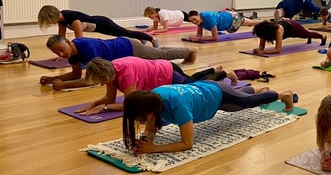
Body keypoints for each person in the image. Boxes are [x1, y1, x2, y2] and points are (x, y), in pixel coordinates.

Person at [122, 80, 297, 154]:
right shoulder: (153, 98)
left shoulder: (179, 107)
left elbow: (187, 144)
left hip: (216, 94)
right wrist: (145, 139)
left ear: (150, 109)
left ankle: (284, 95)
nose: (141, 122)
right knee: (237, 101)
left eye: (141, 118)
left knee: (246, 104)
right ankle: (256, 90)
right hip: (206, 89)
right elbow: (152, 126)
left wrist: (154, 149)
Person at [78, 56, 231, 115]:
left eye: (101, 81)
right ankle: (213, 70)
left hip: (167, 73)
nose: (101, 84)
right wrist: (94, 104)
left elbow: (131, 105)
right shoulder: (111, 71)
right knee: (190, 79)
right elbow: (110, 98)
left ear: (107, 75)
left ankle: (225, 75)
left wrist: (104, 108)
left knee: (196, 87)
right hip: (161, 69)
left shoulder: (126, 74)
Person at [39, 35, 197, 90]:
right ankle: (182, 51)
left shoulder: (86, 47)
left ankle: (189, 51)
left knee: (160, 56)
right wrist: (52, 80)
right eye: (56, 53)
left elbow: (93, 80)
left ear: (68, 41)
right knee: (157, 53)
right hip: (124, 56)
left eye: (61, 49)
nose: (60, 54)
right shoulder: (72, 54)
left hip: (128, 47)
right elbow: (75, 74)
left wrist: (64, 86)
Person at [38, 5, 155, 44]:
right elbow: (62, 38)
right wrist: (60, 52)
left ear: (54, 16)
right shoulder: (62, 19)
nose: (49, 24)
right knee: (125, 34)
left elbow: (80, 41)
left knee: (124, 33)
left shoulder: (73, 19)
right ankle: (141, 39)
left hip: (103, 23)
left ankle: (152, 39)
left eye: (48, 21)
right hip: (97, 27)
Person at [252, 19, 326, 54]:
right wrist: (257, 49)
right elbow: (261, 47)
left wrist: (263, 52)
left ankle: (322, 36)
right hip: (286, 25)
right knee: (306, 35)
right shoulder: (263, 32)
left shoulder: (278, 30)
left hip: (293, 27)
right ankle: (309, 38)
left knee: (307, 34)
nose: (261, 38)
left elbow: (277, 50)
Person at [187, 10, 260, 41]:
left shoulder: (209, 19)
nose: (194, 22)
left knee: (251, 23)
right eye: (191, 21)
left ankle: (264, 23)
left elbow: (215, 37)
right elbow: (199, 34)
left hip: (233, 19)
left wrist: (199, 39)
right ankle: (255, 22)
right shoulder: (200, 21)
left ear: (198, 15)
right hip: (228, 19)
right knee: (249, 23)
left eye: (194, 19)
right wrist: (196, 37)